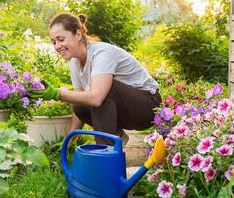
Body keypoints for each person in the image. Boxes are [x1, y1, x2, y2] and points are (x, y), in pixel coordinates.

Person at [30, 12, 162, 145]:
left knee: (102, 92)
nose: (57, 46)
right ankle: (116, 139)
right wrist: (68, 141)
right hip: (127, 110)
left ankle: (104, 152)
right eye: (54, 42)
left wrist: (57, 94)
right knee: (80, 104)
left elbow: (97, 98)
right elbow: (81, 102)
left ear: (78, 35)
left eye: (61, 39)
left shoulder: (102, 54)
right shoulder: (74, 63)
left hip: (148, 107)